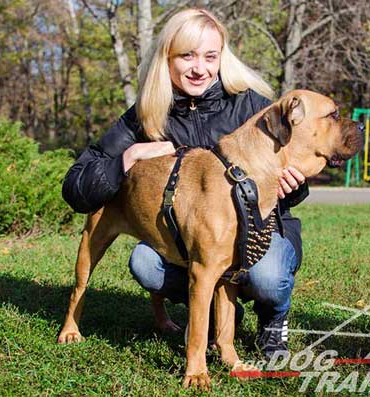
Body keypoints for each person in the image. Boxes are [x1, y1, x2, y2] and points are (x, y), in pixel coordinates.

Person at [62, 8, 309, 359]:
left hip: (257, 233)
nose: (200, 68)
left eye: (211, 56)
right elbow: (76, 186)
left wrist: (293, 185)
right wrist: (127, 157)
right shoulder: (146, 114)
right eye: (187, 56)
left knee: (266, 277)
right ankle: (213, 312)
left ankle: (272, 323)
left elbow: (292, 171)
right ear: (167, 57)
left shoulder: (249, 105)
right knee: (146, 263)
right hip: (186, 234)